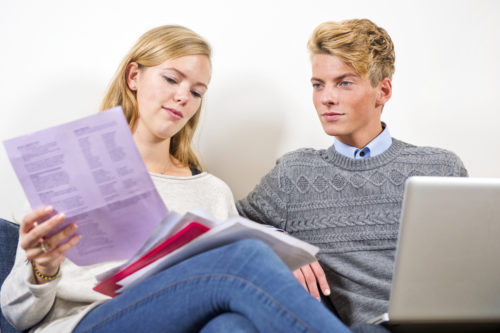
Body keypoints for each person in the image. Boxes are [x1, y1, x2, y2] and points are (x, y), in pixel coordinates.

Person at [0, 25, 369, 333]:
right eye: (172, 79)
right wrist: (43, 271)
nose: (182, 98)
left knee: (230, 327)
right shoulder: (72, 171)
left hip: (181, 323)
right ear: (134, 77)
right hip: (87, 323)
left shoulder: (211, 192)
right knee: (244, 256)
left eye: (196, 92)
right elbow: (18, 318)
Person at [237, 18, 468, 326]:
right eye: (318, 84)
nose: (326, 98)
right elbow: (227, 226)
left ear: (382, 91)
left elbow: (473, 264)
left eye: (344, 83)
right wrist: (278, 245)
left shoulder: (440, 169)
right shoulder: (294, 175)